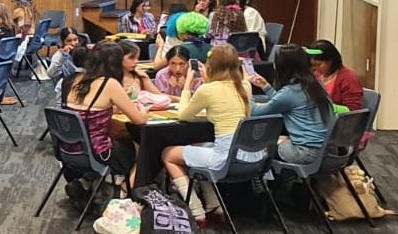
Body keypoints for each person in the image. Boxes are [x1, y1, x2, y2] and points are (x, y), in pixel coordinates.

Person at [163, 44, 254, 220]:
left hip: (224, 159)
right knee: (197, 146)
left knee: (168, 154)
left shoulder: (207, 90)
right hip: (248, 156)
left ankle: (196, 210)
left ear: (211, 65)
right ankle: (214, 204)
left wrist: (187, 86)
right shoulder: (245, 86)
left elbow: (183, 115)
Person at [62, 43, 148, 188]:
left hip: (68, 151)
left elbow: (88, 111)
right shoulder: (109, 83)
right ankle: (125, 189)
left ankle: (89, 180)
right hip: (99, 153)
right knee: (145, 146)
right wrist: (144, 111)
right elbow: (139, 120)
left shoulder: (74, 79)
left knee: (119, 133)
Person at [249, 46, 336, 167]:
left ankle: (278, 177)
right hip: (328, 151)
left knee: (261, 147)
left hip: (307, 153)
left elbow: (256, 112)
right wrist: (266, 87)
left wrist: (243, 91)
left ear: (282, 66)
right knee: (282, 139)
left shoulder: (290, 92)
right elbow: (285, 102)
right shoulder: (316, 85)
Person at [307, 40, 365, 111]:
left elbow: (353, 109)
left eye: (318, 64)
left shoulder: (348, 78)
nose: (315, 68)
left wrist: (328, 107)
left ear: (331, 61)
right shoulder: (317, 75)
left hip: (339, 117)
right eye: (313, 65)